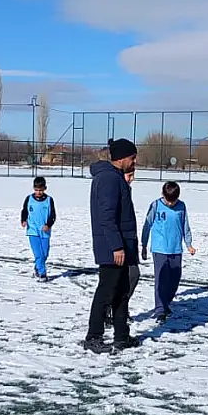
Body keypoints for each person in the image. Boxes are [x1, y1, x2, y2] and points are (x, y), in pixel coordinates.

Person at [85, 138, 141, 354]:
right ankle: (93, 336)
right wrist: (117, 246)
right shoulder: (109, 179)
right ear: (121, 158)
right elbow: (106, 218)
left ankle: (121, 336)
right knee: (106, 292)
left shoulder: (116, 178)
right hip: (112, 248)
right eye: (132, 157)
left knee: (121, 292)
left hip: (121, 246)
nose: (134, 161)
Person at [140, 181, 195, 321]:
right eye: (168, 200)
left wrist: (189, 244)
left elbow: (185, 225)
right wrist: (144, 244)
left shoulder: (182, 206)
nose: (170, 203)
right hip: (159, 248)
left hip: (176, 248)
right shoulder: (155, 205)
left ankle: (166, 303)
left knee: (174, 278)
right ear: (162, 194)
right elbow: (147, 225)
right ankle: (160, 309)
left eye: (173, 200)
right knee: (161, 278)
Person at [106, 169, 140, 327]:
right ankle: (111, 309)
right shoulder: (115, 188)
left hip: (130, 242)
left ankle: (119, 307)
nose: (131, 179)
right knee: (117, 279)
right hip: (119, 243)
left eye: (133, 175)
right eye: (129, 175)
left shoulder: (128, 189)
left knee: (133, 275)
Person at [21, 176, 56, 282]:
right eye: (36, 190)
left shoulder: (49, 200)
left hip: (44, 231)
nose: (38, 192)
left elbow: (53, 215)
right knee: (38, 254)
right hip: (32, 230)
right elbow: (24, 211)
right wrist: (23, 220)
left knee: (45, 254)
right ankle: (42, 273)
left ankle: (38, 266)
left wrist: (48, 225)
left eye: (40, 190)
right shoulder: (29, 199)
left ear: (45, 188)